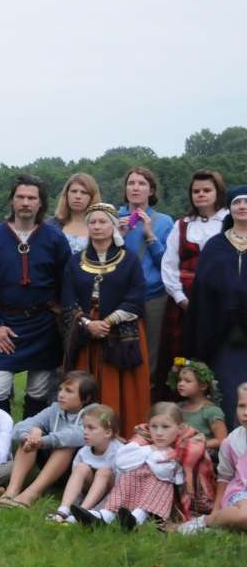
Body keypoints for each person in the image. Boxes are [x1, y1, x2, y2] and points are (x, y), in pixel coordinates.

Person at [0, 174, 71, 417]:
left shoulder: (54, 237)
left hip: (43, 324)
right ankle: (0, 449)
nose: (25, 202)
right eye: (20, 197)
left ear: (41, 203)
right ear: (11, 201)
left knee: (38, 390)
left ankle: (31, 447)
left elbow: (67, 281)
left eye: (31, 198)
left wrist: (61, 315)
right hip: (5, 324)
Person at [61, 202, 150, 439]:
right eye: (93, 222)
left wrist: (108, 322)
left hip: (121, 332)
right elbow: (68, 300)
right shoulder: (75, 261)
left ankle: (123, 440)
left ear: (114, 226)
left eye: (103, 222)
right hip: (86, 333)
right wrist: (89, 324)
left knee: (121, 390)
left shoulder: (129, 260)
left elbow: (136, 296)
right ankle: (82, 441)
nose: (97, 227)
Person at [158, 170, 228, 400]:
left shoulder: (229, 223)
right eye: (196, 191)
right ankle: (180, 409)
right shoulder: (182, 225)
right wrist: (180, 298)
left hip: (220, 301)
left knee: (217, 352)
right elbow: (169, 265)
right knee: (181, 354)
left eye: (206, 190)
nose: (201, 195)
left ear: (218, 193)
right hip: (183, 301)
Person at [185, 185, 247, 427]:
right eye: (237, 202)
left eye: (246, 201)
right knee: (230, 391)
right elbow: (202, 291)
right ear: (229, 208)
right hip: (222, 332)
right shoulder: (215, 246)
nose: (242, 206)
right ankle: (231, 452)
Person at [72, 402, 184, 530]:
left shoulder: (175, 452)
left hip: (159, 493)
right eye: (154, 427)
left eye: (165, 427)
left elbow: (164, 472)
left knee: (158, 481)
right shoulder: (145, 446)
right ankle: (105, 515)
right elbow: (122, 463)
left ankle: (137, 518)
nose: (159, 432)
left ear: (179, 429)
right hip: (136, 488)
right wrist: (149, 450)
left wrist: (148, 453)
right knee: (129, 475)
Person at [0, 371, 98, 509]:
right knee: (29, 437)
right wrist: (29, 436)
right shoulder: (54, 409)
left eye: (69, 391)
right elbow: (21, 426)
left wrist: (42, 441)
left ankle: (30, 495)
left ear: (86, 398)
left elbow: (76, 435)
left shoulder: (95, 413)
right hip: (54, 469)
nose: (61, 394)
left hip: (82, 474)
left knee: (65, 445)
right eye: (60, 389)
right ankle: (11, 492)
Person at [117, 166, 174, 381]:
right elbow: (106, 260)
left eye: (142, 183)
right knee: (119, 348)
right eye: (131, 183)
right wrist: (118, 237)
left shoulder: (164, 222)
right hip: (121, 296)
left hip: (153, 296)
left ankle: (146, 399)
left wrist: (150, 235)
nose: (135, 187)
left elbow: (166, 264)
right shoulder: (114, 218)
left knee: (151, 353)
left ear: (151, 190)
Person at [178, 383, 247, 534]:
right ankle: (206, 521)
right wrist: (215, 511)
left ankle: (226, 524)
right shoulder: (232, 442)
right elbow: (224, 477)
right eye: (241, 406)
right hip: (242, 494)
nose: (245, 412)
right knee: (245, 515)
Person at [48, 404, 120, 524]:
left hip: (110, 492)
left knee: (104, 471)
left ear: (107, 433)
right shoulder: (84, 451)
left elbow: (120, 487)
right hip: (89, 490)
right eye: (84, 427)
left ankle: (82, 512)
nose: (85, 432)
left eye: (91, 428)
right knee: (81, 468)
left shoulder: (119, 452)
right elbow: (76, 482)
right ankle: (63, 510)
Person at [171, 358, 227, 455]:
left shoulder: (211, 411)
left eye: (187, 381)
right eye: (180, 380)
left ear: (203, 386)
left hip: (201, 458)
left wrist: (196, 444)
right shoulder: (178, 407)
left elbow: (222, 440)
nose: (181, 384)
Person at [46, 173, 101, 254]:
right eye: (74, 191)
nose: (78, 196)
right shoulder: (50, 225)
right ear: (66, 194)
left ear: (92, 197)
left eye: (84, 192)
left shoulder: (101, 226)